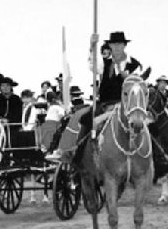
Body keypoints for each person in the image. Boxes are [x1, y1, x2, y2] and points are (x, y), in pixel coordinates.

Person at [47, 31, 143, 162]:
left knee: (147, 123)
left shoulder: (135, 64)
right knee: (85, 119)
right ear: (110, 46)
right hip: (105, 105)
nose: (116, 48)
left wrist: (127, 76)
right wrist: (92, 46)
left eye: (119, 44)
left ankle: (156, 158)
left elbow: (139, 84)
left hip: (128, 106)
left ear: (124, 45)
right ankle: (77, 153)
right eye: (113, 45)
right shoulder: (105, 63)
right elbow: (93, 66)